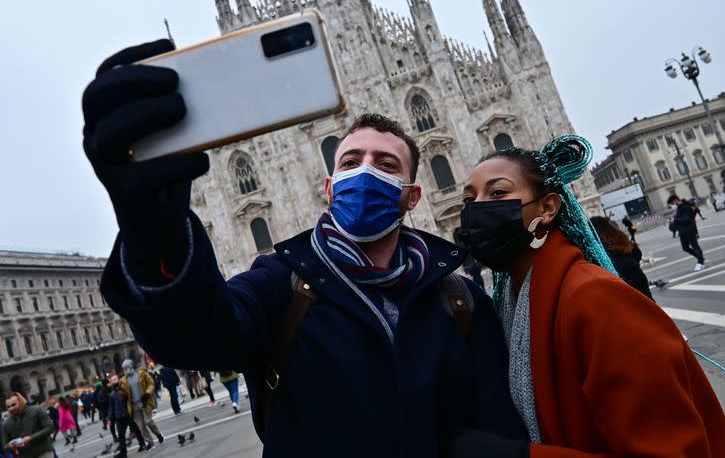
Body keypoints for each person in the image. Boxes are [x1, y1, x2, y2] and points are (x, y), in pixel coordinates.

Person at [82, 39, 525, 457]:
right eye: (350, 161)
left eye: (386, 164)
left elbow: (497, 425)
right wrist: (154, 230)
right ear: (330, 188)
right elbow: (198, 332)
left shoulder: (462, 300)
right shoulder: (282, 287)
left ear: (412, 197)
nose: (366, 172)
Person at [455, 136, 725, 456]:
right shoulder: (513, 301)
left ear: (547, 207)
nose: (477, 208)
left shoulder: (597, 300)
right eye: (468, 200)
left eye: (498, 192)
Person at [590, 216, 653, 300]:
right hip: (637, 275)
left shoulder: (596, 245)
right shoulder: (619, 237)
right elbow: (637, 253)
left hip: (620, 282)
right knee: (649, 304)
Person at [119, 359, 163, 449]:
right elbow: (122, 393)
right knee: (141, 426)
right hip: (133, 406)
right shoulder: (123, 380)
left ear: (132, 366)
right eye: (124, 369)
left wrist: (147, 393)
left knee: (148, 421)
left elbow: (151, 384)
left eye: (127, 367)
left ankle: (158, 434)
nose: (126, 370)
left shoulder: (141, 374)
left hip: (144, 402)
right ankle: (150, 442)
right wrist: (122, 395)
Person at [2, 392, 55, 458]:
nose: (11, 408)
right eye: (8, 406)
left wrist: (30, 438)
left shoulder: (37, 410)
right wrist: (10, 445)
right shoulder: (6, 423)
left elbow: (50, 428)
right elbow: (5, 446)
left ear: (21, 402)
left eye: (13, 405)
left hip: (43, 451)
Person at [106, 374, 147, 457]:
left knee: (136, 430)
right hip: (119, 417)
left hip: (128, 414)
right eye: (112, 380)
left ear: (118, 380)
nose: (114, 381)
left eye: (115, 379)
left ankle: (142, 444)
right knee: (121, 436)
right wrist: (110, 419)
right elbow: (111, 408)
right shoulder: (111, 395)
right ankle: (123, 453)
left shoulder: (125, 389)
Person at [668, 194, 706, 271]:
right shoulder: (679, 207)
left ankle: (700, 263)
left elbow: (687, 219)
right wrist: (673, 223)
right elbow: (678, 218)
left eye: (672, 203)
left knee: (695, 246)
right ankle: (700, 257)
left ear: (675, 200)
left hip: (690, 230)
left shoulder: (685, 206)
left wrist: (675, 220)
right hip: (683, 232)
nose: (672, 205)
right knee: (685, 247)